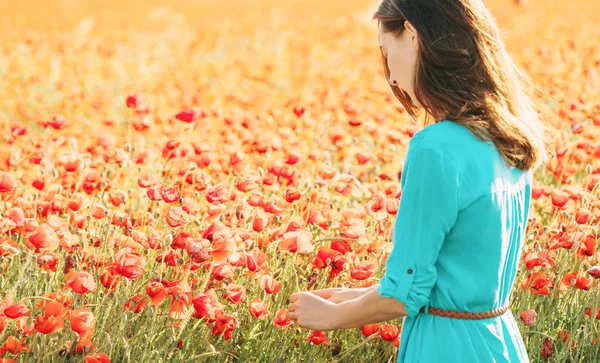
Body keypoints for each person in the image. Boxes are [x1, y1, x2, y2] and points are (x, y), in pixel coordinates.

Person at [287, 0, 553, 362]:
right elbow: (452, 276)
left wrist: (333, 316)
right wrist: (357, 295)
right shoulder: (509, 138)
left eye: (387, 53)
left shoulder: (436, 148)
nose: (392, 78)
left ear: (412, 35)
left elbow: (404, 295)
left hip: (446, 346)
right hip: (501, 341)